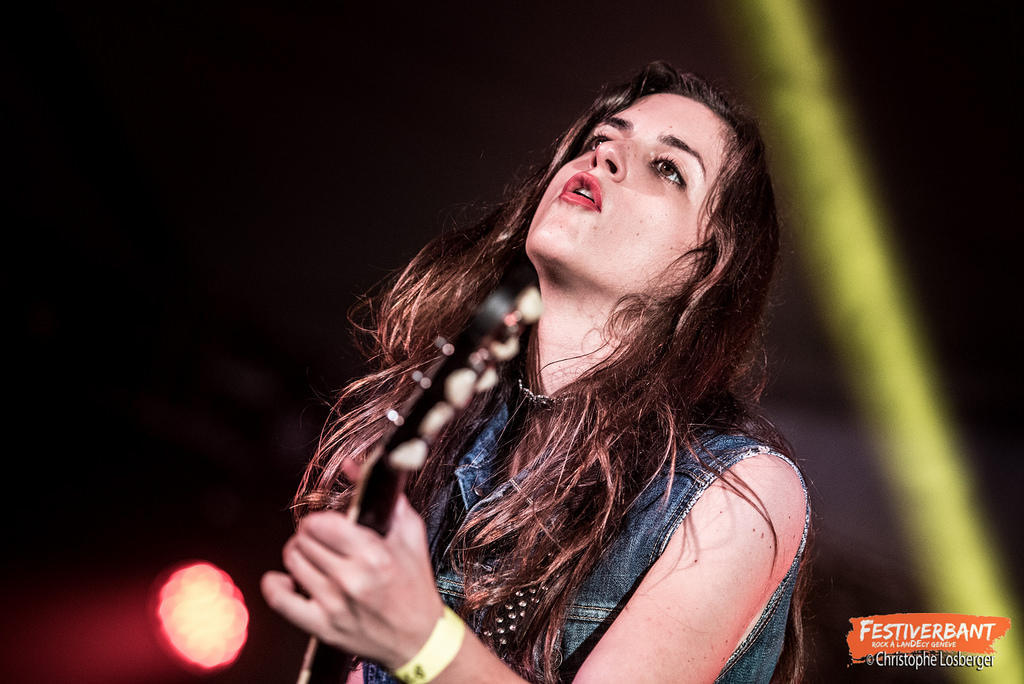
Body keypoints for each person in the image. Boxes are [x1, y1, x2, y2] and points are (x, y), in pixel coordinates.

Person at [262, 61, 810, 684]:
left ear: (705, 268)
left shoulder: (740, 491)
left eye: (668, 168)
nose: (602, 159)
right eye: (601, 141)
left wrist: (423, 642)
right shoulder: (452, 433)